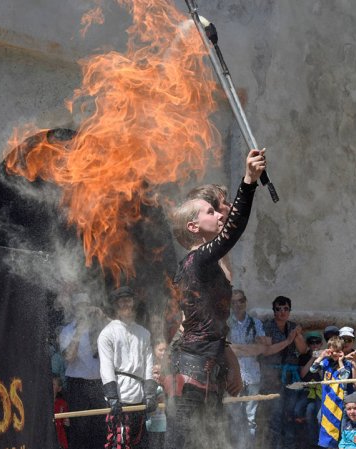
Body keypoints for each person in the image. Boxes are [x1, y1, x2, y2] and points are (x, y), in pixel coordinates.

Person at [166, 148, 266, 449]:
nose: (219, 215)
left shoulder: (205, 264)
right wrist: (249, 181)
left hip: (208, 367)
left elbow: (211, 325)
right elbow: (232, 231)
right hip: (192, 370)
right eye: (211, 212)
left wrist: (230, 360)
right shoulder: (197, 261)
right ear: (193, 227)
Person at [98, 286, 157, 449]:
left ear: (133, 303)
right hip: (120, 398)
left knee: (139, 443)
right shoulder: (107, 333)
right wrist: (112, 397)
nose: (126, 304)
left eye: (128, 300)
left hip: (139, 400)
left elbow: (148, 365)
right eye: (121, 301)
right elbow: (106, 367)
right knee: (119, 444)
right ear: (116, 305)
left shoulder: (144, 333)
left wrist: (150, 393)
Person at [59, 293, 109, 449]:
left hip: (99, 384)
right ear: (74, 309)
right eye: (80, 306)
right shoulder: (68, 330)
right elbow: (69, 357)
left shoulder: (101, 327)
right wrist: (79, 331)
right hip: (78, 385)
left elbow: (119, 332)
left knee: (101, 428)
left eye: (86, 305)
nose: (84, 310)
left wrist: (103, 316)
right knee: (80, 428)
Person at [260, 295, 308, 449]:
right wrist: (287, 340)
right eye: (278, 309)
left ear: (290, 310)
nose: (282, 312)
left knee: (290, 414)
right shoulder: (266, 326)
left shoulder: (293, 326)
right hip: (272, 376)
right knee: (275, 413)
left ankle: (289, 446)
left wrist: (297, 335)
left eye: (285, 308)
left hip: (291, 377)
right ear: (273, 311)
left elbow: (303, 350)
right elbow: (266, 351)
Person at [227, 289, 267, 449]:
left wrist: (238, 348)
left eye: (240, 300)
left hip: (252, 376)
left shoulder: (255, 322)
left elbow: (262, 348)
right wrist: (250, 348)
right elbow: (226, 349)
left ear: (245, 301)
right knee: (235, 417)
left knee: (251, 418)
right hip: (232, 376)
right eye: (234, 302)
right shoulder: (226, 323)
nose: (237, 304)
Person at [310, 336, 356, 448]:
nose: (334, 354)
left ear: (341, 351)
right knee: (320, 419)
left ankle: (341, 445)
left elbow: (344, 378)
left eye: (337, 352)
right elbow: (312, 369)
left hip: (342, 400)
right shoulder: (326, 362)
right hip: (328, 400)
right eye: (332, 352)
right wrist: (321, 356)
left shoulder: (347, 363)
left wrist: (341, 361)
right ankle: (328, 445)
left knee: (341, 425)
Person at [297, 332, 324, 448]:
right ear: (308, 344)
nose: (314, 345)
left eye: (317, 342)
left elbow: (324, 376)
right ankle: (312, 442)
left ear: (321, 344)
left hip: (320, 391)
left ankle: (320, 442)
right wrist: (313, 358)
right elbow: (303, 374)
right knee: (298, 411)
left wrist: (320, 359)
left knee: (318, 415)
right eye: (311, 343)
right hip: (307, 391)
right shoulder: (303, 357)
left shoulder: (325, 356)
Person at [53, 376, 70, 449]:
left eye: (53, 384)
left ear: (59, 389)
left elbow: (66, 422)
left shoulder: (62, 403)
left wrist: (67, 422)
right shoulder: (43, 403)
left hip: (59, 439)